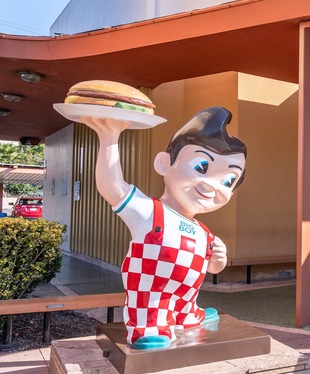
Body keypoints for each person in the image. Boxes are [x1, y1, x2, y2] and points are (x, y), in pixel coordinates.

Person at [83, 107, 247, 349]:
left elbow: (212, 266)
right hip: (151, 295)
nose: (212, 186)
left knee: (187, 303)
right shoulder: (150, 211)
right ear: (164, 164)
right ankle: (148, 327)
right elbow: (112, 186)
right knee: (150, 304)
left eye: (228, 181)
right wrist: (109, 138)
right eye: (202, 166)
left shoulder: (202, 230)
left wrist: (218, 259)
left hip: (187, 298)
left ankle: (187, 315)